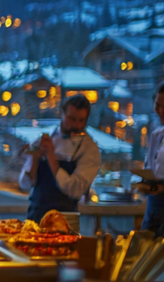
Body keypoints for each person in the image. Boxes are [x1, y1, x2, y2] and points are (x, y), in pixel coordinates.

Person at [19, 94, 102, 222]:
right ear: (61, 113)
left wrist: (51, 158)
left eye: (81, 121)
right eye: (71, 119)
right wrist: (34, 158)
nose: (76, 125)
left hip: (64, 220)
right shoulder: (45, 139)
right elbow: (25, 184)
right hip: (35, 216)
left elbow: (76, 190)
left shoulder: (90, 150)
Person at [139, 82, 164, 236]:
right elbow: (149, 170)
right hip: (153, 211)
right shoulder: (157, 135)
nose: (161, 111)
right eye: (158, 105)